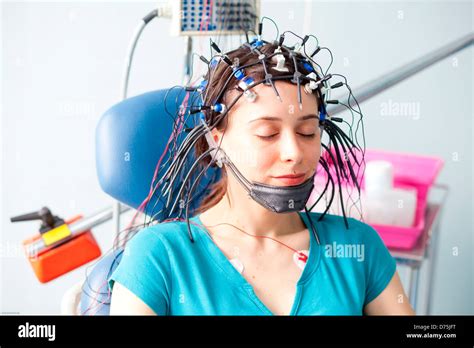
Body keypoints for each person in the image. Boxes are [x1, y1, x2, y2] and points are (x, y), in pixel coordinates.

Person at [107, 37, 415, 316]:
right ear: (216, 140)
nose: (294, 152)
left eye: (308, 132)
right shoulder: (159, 257)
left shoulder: (356, 246)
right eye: (267, 134)